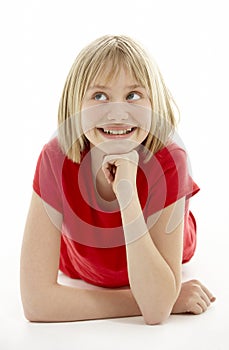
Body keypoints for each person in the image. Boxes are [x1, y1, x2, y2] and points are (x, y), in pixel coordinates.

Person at [20, 35, 215, 325]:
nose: (118, 113)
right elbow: (37, 304)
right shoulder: (54, 158)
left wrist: (127, 193)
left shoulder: (170, 160)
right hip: (81, 261)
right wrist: (160, 296)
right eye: (99, 96)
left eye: (133, 95)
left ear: (154, 103)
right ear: (75, 108)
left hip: (162, 244)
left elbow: (156, 312)